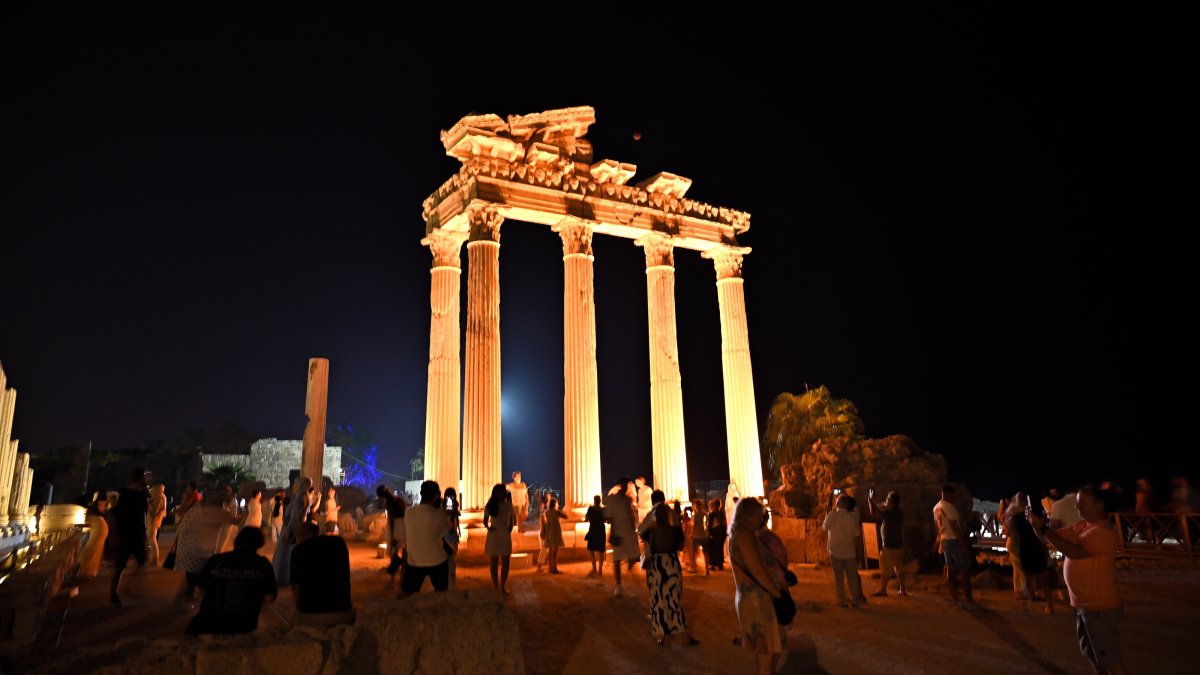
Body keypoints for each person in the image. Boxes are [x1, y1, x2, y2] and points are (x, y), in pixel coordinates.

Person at [1027, 487, 1128, 675]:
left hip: (1099, 607)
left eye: (1082, 502)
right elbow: (1052, 539)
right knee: (1092, 653)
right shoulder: (1083, 526)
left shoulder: (1103, 532)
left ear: (1099, 506)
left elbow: (1072, 552)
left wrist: (1043, 528)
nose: (1077, 506)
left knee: (1111, 660)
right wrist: (1036, 525)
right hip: (1083, 605)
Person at [185, 527, 276, 636]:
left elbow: (199, 591)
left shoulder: (217, 560)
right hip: (245, 624)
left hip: (209, 621)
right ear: (259, 544)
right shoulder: (263, 564)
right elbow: (269, 598)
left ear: (237, 541)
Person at [728, 497, 783, 675]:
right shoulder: (744, 536)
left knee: (770, 651)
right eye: (759, 515)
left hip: (750, 597)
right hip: (756, 599)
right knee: (766, 657)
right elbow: (758, 571)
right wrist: (778, 594)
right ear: (750, 515)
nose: (762, 519)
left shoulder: (740, 534)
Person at [637, 490, 698, 646]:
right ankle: (682, 634)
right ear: (664, 500)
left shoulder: (651, 516)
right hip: (671, 562)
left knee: (658, 600)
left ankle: (664, 636)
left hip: (656, 564)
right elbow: (680, 543)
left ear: (652, 501)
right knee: (674, 599)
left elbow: (641, 532)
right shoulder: (673, 516)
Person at [175, 487, 239, 604]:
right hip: (201, 550)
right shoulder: (220, 512)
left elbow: (180, 513)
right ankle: (194, 597)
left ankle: (189, 594)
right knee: (200, 575)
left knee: (192, 574)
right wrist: (247, 514)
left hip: (187, 547)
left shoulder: (198, 506)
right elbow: (236, 521)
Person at [290, 522, 355, 626]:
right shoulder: (339, 543)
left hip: (311, 616)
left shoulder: (298, 551)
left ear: (300, 535)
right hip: (344, 613)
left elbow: (295, 588)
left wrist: (300, 609)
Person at [398, 480, 452, 597]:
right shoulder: (438, 514)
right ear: (437, 495)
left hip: (414, 561)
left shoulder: (409, 512)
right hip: (437, 560)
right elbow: (449, 534)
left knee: (406, 594)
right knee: (442, 593)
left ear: (421, 493)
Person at [1004, 493, 1054, 614]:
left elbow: (1008, 529)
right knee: (1043, 577)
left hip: (1024, 546)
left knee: (1027, 574)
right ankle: (1049, 605)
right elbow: (1041, 527)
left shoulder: (1014, 516)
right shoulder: (1032, 513)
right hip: (1035, 545)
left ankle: (1031, 598)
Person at [110, 467, 150, 605]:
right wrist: (115, 535)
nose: (147, 479)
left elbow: (143, 516)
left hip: (137, 534)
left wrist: (145, 534)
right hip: (126, 534)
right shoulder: (126, 494)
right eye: (145, 476)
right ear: (139, 478)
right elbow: (118, 515)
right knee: (120, 566)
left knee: (142, 560)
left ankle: (125, 586)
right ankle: (114, 593)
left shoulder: (142, 495)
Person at [933, 484, 975, 609]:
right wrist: (962, 544)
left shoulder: (936, 508)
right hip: (953, 540)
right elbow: (954, 526)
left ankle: (956, 601)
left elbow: (937, 528)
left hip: (945, 541)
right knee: (965, 571)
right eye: (953, 495)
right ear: (949, 494)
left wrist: (938, 542)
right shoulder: (949, 507)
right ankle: (969, 601)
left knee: (950, 571)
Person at [823, 493, 866, 608]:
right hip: (849, 551)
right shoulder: (852, 517)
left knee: (839, 577)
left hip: (835, 550)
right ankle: (855, 599)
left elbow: (825, 527)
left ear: (837, 503)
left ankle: (842, 600)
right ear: (847, 505)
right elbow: (856, 535)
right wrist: (858, 552)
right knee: (852, 577)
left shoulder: (832, 515)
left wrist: (827, 514)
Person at [272, 476, 314, 584]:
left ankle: (284, 577)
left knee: (287, 554)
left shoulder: (301, 497)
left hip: (292, 529)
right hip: (291, 527)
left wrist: (288, 532)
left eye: (296, 484)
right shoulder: (301, 495)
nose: (293, 486)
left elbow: (295, 517)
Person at [604, 477, 640, 596]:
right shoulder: (611, 499)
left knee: (632, 558)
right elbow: (608, 519)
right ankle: (618, 586)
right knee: (617, 560)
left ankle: (628, 576)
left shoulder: (626, 500)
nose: (626, 489)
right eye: (624, 487)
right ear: (620, 486)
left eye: (627, 487)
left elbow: (630, 516)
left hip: (628, 533)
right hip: (618, 533)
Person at [867, 490, 907, 597]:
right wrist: (875, 502)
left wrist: (871, 502)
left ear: (892, 502)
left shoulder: (888, 513)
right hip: (899, 545)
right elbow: (882, 506)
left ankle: (883, 590)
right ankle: (902, 590)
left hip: (889, 546)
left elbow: (873, 514)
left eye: (888, 498)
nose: (886, 500)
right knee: (899, 568)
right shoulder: (899, 512)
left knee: (885, 569)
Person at [484, 483, 515, 593]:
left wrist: (509, 528)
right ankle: (496, 586)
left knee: (506, 562)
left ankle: (502, 586)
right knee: (494, 562)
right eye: (499, 491)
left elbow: (512, 519)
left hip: (504, 535)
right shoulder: (490, 505)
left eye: (503, 491)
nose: (501, 493)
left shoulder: (508, 504)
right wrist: (488, 527)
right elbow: (485, 520)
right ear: (495, 493)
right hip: (494, 535)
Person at [377, 484, 407, 587]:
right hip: (404, 526)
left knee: (394, 555)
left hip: (395, 528)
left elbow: (391, 520)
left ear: (381, 496)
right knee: (405, 553)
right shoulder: (399, 500)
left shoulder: (388, 503)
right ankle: (403, 580)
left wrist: (393, 536)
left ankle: (392, 581)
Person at [78, 497, 110, 578]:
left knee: (92, 549)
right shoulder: (94, 512)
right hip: (100, 527)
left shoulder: (93, 512)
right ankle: (88, 571)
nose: (104, 506)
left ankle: (86, 570)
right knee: (94, 550)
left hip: (100, 528)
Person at [540, 496, 567, 574]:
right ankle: (554, 569)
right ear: (555, 504)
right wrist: (561, 511)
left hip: (549, 533)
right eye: (557, 504)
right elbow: (565, 517)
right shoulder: (556, 512)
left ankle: (550, 568)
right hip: (556, 533)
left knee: (550, 553)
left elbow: (543, 522)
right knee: (555, 553)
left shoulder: (547, 512)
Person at [443, 487, 461, 589]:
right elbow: (452, 519)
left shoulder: (443, 505)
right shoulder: (450, 505)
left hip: (448, 533)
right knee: (452, 557)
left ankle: (450, 579)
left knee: (448, 557)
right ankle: (451, 579)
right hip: (451, 533)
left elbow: (455, 519)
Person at [584, 495, 606, 577]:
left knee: (591, 551)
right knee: (601, 551)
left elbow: (586, 519)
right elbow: (606, 519)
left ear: (594, 501)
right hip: (601, 530)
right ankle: (600, 570)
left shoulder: (591, 509)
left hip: (593, 530)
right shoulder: (602, 510)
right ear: (600, 501)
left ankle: (594, 569)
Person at [147, 483, 167, 567]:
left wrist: (149, 503)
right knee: (152, 540)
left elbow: (154, 511)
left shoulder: (159, 497)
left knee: (152, 540)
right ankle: (153, 559)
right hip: (155, 521)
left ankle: (154, 560)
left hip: (153, 521)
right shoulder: (162, 496)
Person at [706, 498, 728, 570]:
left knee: (712, 548)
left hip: (715, 532)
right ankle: (719, 564)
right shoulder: (721, 513)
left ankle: (712, 564)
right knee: (719, 548)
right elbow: (724, 523)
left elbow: (710, 525)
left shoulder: (712, 514)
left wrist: (709, 532)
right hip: (721, 532)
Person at [691, 498, 710, 575]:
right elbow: (707, 525)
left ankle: (694, 568)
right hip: (705, 536)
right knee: (706, 553)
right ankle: (707, 569)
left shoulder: (695, 515)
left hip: (697, 536)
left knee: (694, 552)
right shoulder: (705, 514)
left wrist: (692, 534)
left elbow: (694, 525)